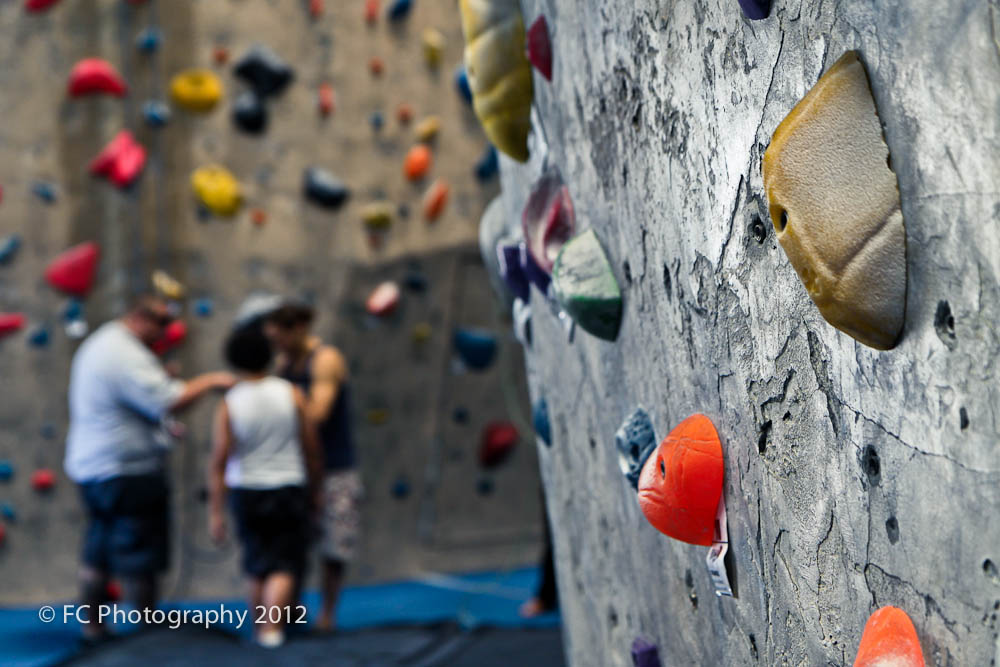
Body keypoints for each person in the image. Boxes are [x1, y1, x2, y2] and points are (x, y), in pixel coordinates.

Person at [64, 293, 235, 643]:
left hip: (99, 467)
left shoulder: (109, 345)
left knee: (100, 549)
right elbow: (168, 399)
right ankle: (147, 633)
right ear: (141, 318)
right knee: (139, 550)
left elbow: (138, 407)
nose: (164, 334)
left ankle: (95, 629)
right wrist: (211, 381)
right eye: (161, 325)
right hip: (124, 470)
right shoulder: (122, 352)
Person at [208, 324, 320, 648]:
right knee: (285, 562)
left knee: (256, 562)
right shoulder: (291, 393)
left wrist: (216, 511)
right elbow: (311, 447)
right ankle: (272, 630)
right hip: (287, 484)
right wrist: (316, 487)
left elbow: (219, 460)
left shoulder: (232, 401)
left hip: (247, 489)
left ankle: (261, 630)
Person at [264, 301, 359, 633]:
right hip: (297, 469)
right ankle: (292, 610)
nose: (278, 345)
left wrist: (281, 397)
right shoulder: (284, 363)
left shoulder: (325, 360)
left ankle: (328, 613)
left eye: (280, 337)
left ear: (298, 329)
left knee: (334, 544)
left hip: (334, 467)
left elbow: (318, 413)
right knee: (293, 543)